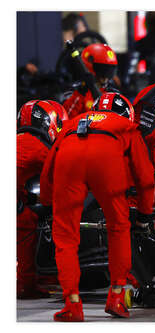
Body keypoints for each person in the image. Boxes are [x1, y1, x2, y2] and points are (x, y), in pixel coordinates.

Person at [40, 92, 155, 321]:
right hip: (106, 161)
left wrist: (47, 204)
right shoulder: (126, 126)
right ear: (127, 113)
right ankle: (116, 297)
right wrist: (144, 214)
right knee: (118, 228)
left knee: (65, 236)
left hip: (68, 159)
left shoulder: (74, 121)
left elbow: (48, 169)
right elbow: (146, 178)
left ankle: (72, 304)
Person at [17, 100, 68, 299]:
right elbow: (65, 174)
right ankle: (27, 284)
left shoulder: (19, 139)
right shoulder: (40, 147)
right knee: (26, 221)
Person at [62, 43, 119, 118]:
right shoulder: (75, 91)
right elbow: (66, 118)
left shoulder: (113, 93)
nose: (106, 77)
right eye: (103, 70)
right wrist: (80, 93)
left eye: (109, 71)